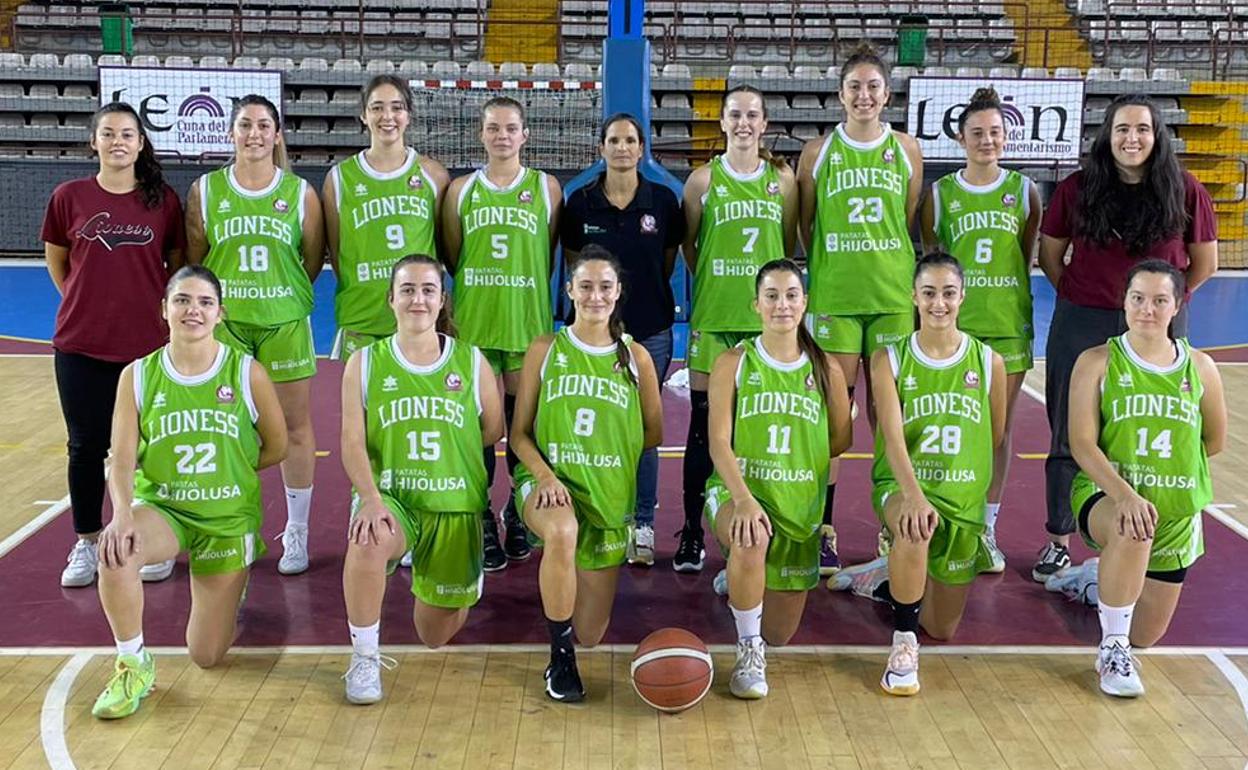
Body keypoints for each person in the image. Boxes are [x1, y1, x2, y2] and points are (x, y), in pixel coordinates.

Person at [1035, 94, 1218, 583]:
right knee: (1068, 432)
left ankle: (1143, 536)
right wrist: (1083, 297)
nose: (1131, 138)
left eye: (1142, 129)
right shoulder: (1077, 189)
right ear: (1107, 136)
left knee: (1152, 434)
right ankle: (1059, 540)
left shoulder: (1185, 190)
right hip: (1084, 320)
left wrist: (1161, 309)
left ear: (1157, 136)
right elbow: (1051, 255)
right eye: (1122, 129)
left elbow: (1205, 263)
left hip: (1159, 326)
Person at [91, 265, 287, 719]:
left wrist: (228, 472)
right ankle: (133, 665)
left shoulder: (246, 373)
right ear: (164, 309)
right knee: (116, 551)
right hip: (166, 509)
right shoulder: (138, 376)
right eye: (182, 300)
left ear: (220, 313)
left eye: (204, 302)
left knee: (206, 655)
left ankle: (234, 584)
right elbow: (121, 458)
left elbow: (277, 446)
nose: (192, 310)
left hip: (226, 519)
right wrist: (121, 514)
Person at [830, 253, 1006, 696]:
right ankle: (903, 644)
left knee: (942, 627)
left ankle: (884, 579)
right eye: (929, 293)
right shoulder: (889, 359)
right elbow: (890, 436)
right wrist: (914, 495)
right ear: (913, 296)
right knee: (914, 525)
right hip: (902, 487)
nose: (938, 303)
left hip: (961, 501)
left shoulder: (989, 363)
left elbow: (994, 433)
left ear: (963, 296)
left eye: (948, 293)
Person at [1049, 261, 1225, 697]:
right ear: (1124, 302)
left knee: (1146, 634)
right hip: (1106, 495)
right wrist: (1126, 494)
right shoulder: (1097, 361)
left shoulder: (1200, 368)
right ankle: (1112, 650)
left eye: (1160, 300)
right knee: (1132, 527)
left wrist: (1168, 477)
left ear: (1177, 305)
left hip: (1174, 508)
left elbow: (1214, 441)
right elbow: (1082, 444)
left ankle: (1095, 580)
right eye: (1138, 298)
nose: (1148, 309)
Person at [339, 255, 503, 704]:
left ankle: (464, 583)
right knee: (368, 538)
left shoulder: (470, 361)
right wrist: (370, 499)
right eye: (407, 289)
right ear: (390, 298)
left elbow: (492, 430)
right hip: (394, 499)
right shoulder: (365, 363)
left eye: (428, 290)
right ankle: (365, 658)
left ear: (442, 299)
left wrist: (449, 459)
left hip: (454, 506)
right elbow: (352, 442)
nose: (418, 299)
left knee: (433, 634)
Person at [509, 246, 663, 702]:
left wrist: (604, 457)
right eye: (586, 286)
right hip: (548, 485)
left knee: (592, 632)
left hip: (607, 496)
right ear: (569, 290)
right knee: (561, 530)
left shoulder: (636, 358)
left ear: (618, 293)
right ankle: (560, 658)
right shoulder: (545, 349)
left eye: (605, 287)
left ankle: (564, 586)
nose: (596, 295)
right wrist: (544, 476)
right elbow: (518, 434)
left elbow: (652, 433)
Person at [42, 101, 186, 588]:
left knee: (152, 446)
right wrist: (85, 302)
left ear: (141, 143)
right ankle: (87, 541)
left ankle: (151, 537)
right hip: (81, 344)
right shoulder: (69, 197)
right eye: (108, 133)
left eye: (127, 134)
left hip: (146, 345)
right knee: (86, 446)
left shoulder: (163, 201)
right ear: (94, 141)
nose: (117, 141)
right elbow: (59, 263)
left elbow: (174, 267)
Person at [186, 94, 325, 576]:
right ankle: (235, 525)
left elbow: (311, 260)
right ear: (231, 132)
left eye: (264, 125)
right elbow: (198, 259)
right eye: (245, 124)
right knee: (227, 427)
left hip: (283, 322)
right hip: (226, 325)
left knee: (295, 428)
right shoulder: (206, 190)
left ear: (277, 134)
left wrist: (278, 295)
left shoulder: (300, 193)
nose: (254, 134)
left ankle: (297, 530)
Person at [797, 42, 924, 569]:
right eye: (855, 86)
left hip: (892, 298)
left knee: (889, 416)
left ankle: (892, 527)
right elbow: (806, 224)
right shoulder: (818, 152)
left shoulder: (907, 149)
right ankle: (822, 526)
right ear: (841, 93)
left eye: (873, 86)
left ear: (887, 94)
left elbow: (907, 216)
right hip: (836, 298)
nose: (864, 95)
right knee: (832, 416)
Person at [705, 259, 851, 699]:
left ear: (805, 303)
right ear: (756, 304)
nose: (781, 305)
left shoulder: (827, 369)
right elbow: (718, 442)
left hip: (797, 503)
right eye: (771, 296)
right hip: (738, 493)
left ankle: (741, 577)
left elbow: (839, 441)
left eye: (791, 295)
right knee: (751, 536)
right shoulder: (733, 362)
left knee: (781, 634)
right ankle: (748, 651)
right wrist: (743, 499)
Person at [920, 86, 1042, 573]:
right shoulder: (940, 195)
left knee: (997, 430)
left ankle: (985, 527)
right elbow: (934, 259)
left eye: (995, 132)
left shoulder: (1025, 191)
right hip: (956, 330)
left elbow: (1025, 256)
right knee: (945, 423)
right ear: (960, 138)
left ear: (1006, 136)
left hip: (1007, 324)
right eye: (977, 133)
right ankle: (935, 518)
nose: (987, 140)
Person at [677, 85, 797, 575]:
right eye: (735, 115)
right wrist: (719, 282)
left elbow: (783, 245)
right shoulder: (702, 181)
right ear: (722, 123)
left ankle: (749, 531)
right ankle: (691, 530)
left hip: (762, 326)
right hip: (714, 319)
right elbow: (691, 247)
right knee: (702, 429)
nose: (743, 123)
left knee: (752, 432)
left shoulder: (782, 180)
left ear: (764, 123)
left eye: (752, 115)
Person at [441, 96, 562, 572]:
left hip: (526, 325)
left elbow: (546, 253)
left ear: (525, 135)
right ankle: (483, 518)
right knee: (479, 433)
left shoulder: (546, 188)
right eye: (493, 128)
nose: (502, 136)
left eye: (511, 128)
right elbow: (455, 254)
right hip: (476, 326)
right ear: (481, 134)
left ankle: (516, 509)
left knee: (521, 429)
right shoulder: (461, 191)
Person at [561, 112, 684, 566]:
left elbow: (666, 260)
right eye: (613, 140)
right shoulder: (579, 204)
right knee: (591, 421)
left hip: (649, 330)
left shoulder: (663, 201)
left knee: (643, 427)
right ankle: (591, 513)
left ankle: (643, 520)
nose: (622, 148)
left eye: (630, 140)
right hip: (592, 336)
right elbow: (576, 266)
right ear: (602, 148)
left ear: (641, 148)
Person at [324, 75, 449, 360]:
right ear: (363, 115)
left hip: (416, 319)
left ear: (409, 115)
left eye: (397, 107)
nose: (387, 116)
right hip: (361, 318)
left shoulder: (433, 174)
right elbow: (338, 251)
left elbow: (442, 247)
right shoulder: (339, 179)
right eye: (377, 107)